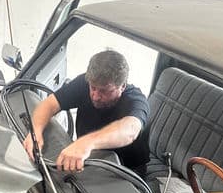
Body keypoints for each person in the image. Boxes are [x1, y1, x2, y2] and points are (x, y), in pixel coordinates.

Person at [22, 49, 150, 174]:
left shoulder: (136, 101)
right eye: (93, 88)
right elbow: (49, 104)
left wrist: (86, 143)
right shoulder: (86, 82)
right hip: (89, 162)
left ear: (122, 86)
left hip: (126, 173)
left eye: (104, 91)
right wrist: (36, 131)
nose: (95, 96)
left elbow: (130, 130)